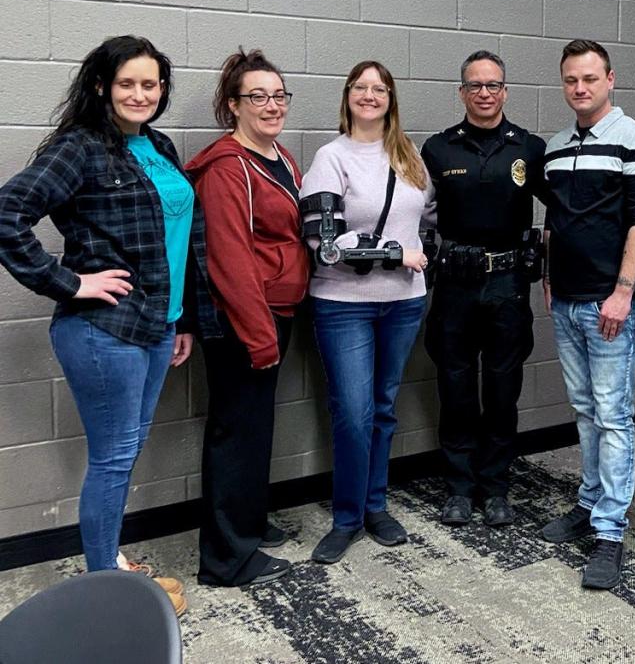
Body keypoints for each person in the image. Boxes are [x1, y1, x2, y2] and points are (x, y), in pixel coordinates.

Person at [0, 36, 219, 616]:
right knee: (115, 456)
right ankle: (103, 585)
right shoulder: (80, 148)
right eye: (128, 83)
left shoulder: (158, 145)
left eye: (151, 84)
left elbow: (182, 242)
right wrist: (70, 282)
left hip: (156, 324)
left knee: (127, 449)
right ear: (101, 85)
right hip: (104, 330)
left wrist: (183, 320)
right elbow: (8, 213)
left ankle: (109, 560)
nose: (141, 94)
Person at [300, 61, 433, 564]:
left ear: (391, 98)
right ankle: (347, 517)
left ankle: (375, 506)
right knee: (352, 415)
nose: (370, 96)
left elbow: (428, 222)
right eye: (361, 87)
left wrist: (418, 258)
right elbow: (325, 243)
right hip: (343, 306)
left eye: (380, 89)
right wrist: (396, 254)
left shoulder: (410, 157)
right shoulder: (330, 157)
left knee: (382, 408)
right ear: (348, 95)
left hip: (403, 303)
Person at [186, 49, 309, 587]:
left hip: (274, 312)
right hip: (243, 321)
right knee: (236, 432)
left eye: (279, 94)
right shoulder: (226, 167)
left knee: (256, 428)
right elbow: (231, 260)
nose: (271, 104)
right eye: (257, 96)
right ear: (232, 105)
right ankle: (227, 559)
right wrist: (259, 337)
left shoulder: (278, 155)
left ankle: (248, 523)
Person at [539, 39, 635, 589]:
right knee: (585, 410)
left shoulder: (634, 139)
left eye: (589, 78)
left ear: (611, 79)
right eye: (570, 80)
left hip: (609, 303)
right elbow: (557, 219)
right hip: (565, 300)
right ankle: (589, 504)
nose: (580, 88)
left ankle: (610, 532)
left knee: (613, 417)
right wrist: (547, 278)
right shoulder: (556, 146)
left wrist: (623, 292)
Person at [421, 50, 548, 527]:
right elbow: (413, 212)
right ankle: (458, 487)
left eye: (493, 85)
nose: (485, 93)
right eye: (475, 86)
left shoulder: (529, 149)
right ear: (461, 92)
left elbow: (564, 207)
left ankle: (495, 488)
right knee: (454, 387)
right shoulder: (438, 149)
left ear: (505, 91)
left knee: (502, 390)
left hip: (507, 284)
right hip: (455, 285)